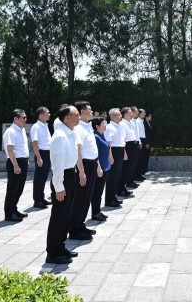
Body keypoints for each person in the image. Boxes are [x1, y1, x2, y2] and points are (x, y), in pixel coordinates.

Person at [46, 105, 80, 264]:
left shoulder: (70, 133)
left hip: (70, 174)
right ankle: (53, 252)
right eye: (76, 114)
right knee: (59, 217)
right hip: (63, 177)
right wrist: (58, 186)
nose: (79, 117)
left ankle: (61, 246)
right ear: (67, 118)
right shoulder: (60, 136)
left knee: (66, 215)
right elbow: (58, 163)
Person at [69, 101, 99, 240]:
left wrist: (97, 165)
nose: (92, 112)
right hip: (84, 165)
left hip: (91, 163)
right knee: (80, 198)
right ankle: (74, 229)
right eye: (89, 109)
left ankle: (80, 224)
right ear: (82, 112)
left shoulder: (88, 126)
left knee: (87, 197)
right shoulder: (78, 128)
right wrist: (81, 171)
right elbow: (78, 151)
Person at [3, 109, 30, 222]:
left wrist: (26, 159)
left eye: (25, 117)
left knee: (19, 188)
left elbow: (22, 147)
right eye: (23, 117)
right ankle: (9, 213)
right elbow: (10, 149)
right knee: (13, 189)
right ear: (15, 119)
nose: (25, 119)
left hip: (22, 161)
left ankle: (14, 209)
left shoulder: (21, 130)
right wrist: (15, 165)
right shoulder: (11, 131)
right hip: (15, 162)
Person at [90, 117, 112, 220]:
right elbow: (95, 154)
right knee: (97, 192)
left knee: (99, 191)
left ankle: (98, 211)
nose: (105, 125)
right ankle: (95, 213)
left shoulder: (102, 135)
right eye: (103, 123)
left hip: (105, 166)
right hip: (100, 168)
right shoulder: (95, 136)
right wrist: (98, 167)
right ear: (97, 126)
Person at [31, 106, 52, 209]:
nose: (49, 114)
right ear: (41, 115)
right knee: (39, 178)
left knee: (44, 177)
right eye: (47, 113)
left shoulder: (45, 125)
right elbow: (35, 143)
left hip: (47, 153)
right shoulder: (36, 127)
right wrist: (39, 158)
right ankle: (37, 200)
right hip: (41, 153)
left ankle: (41, 197)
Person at [104, 108, 126, 206]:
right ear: (112, 116)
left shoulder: (119, 126)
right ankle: (109, 200)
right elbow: (108, 142)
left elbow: (121, 141)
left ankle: (113, 197)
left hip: (120, 150)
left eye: (120, 114)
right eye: (118, 115)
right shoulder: (110, 127)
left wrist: (124, 152)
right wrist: (110, 156)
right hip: (114, 151)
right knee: (112, 177)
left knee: (117, 175)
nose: (120, 116)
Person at [121, 107, 139, 194]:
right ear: (125, 114)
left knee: (130, 166)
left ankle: (124, 186)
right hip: (127, 146)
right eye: (130, 113)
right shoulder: (122, 124)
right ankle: (121, 188)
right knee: (126, 168)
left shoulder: (130, 122)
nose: (132, 114)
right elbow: (123, 139)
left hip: (133, 144)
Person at [139, 110, 153, 176]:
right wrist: (147, 143)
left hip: (148, 142)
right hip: (145, 142)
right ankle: (143, 170)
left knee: (146, 156)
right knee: (144, 156)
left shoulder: (148, 123)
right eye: (150, 116)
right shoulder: (144, 123)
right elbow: (145, 134)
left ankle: (145, 169)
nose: (151, 117)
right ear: (146, 117)